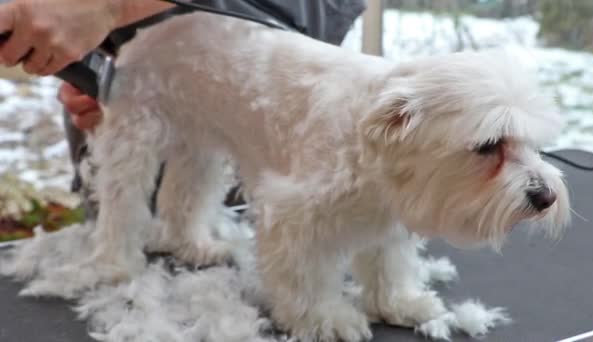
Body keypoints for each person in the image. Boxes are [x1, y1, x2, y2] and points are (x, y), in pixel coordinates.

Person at [0, 0, 366, 215]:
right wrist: (90, 63)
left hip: (262, 144)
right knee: (120, 256)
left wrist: (110, 6)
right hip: (125, 137)